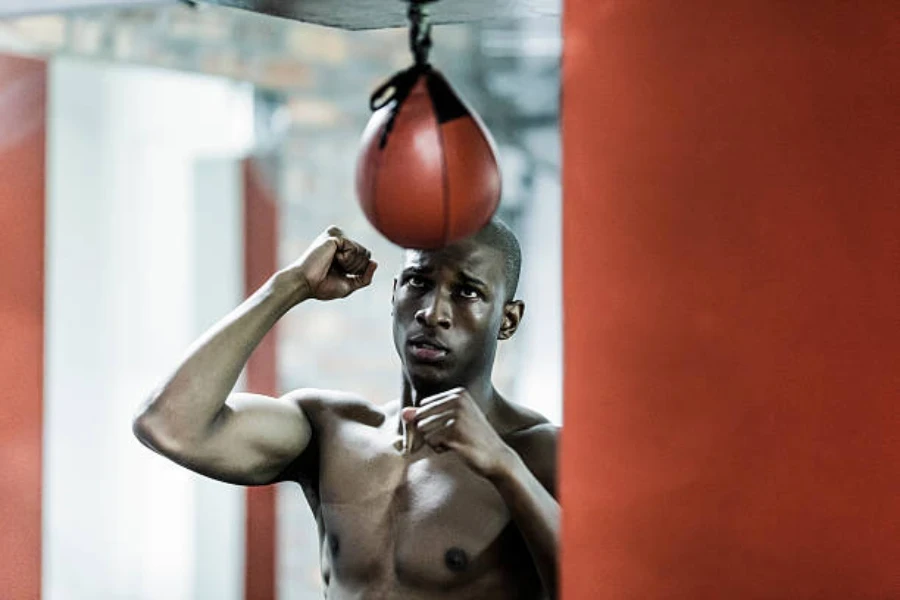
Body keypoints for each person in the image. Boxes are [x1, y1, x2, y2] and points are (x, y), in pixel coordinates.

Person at [133, 220, 560, 599]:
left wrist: (506, 468)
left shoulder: (538, 453)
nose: (432, 312)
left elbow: (603, 588)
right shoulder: (332, 430)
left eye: (466, 291)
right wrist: (292, 285)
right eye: (417, 282)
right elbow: (168, 424)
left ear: (508, 320)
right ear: (394, 295)